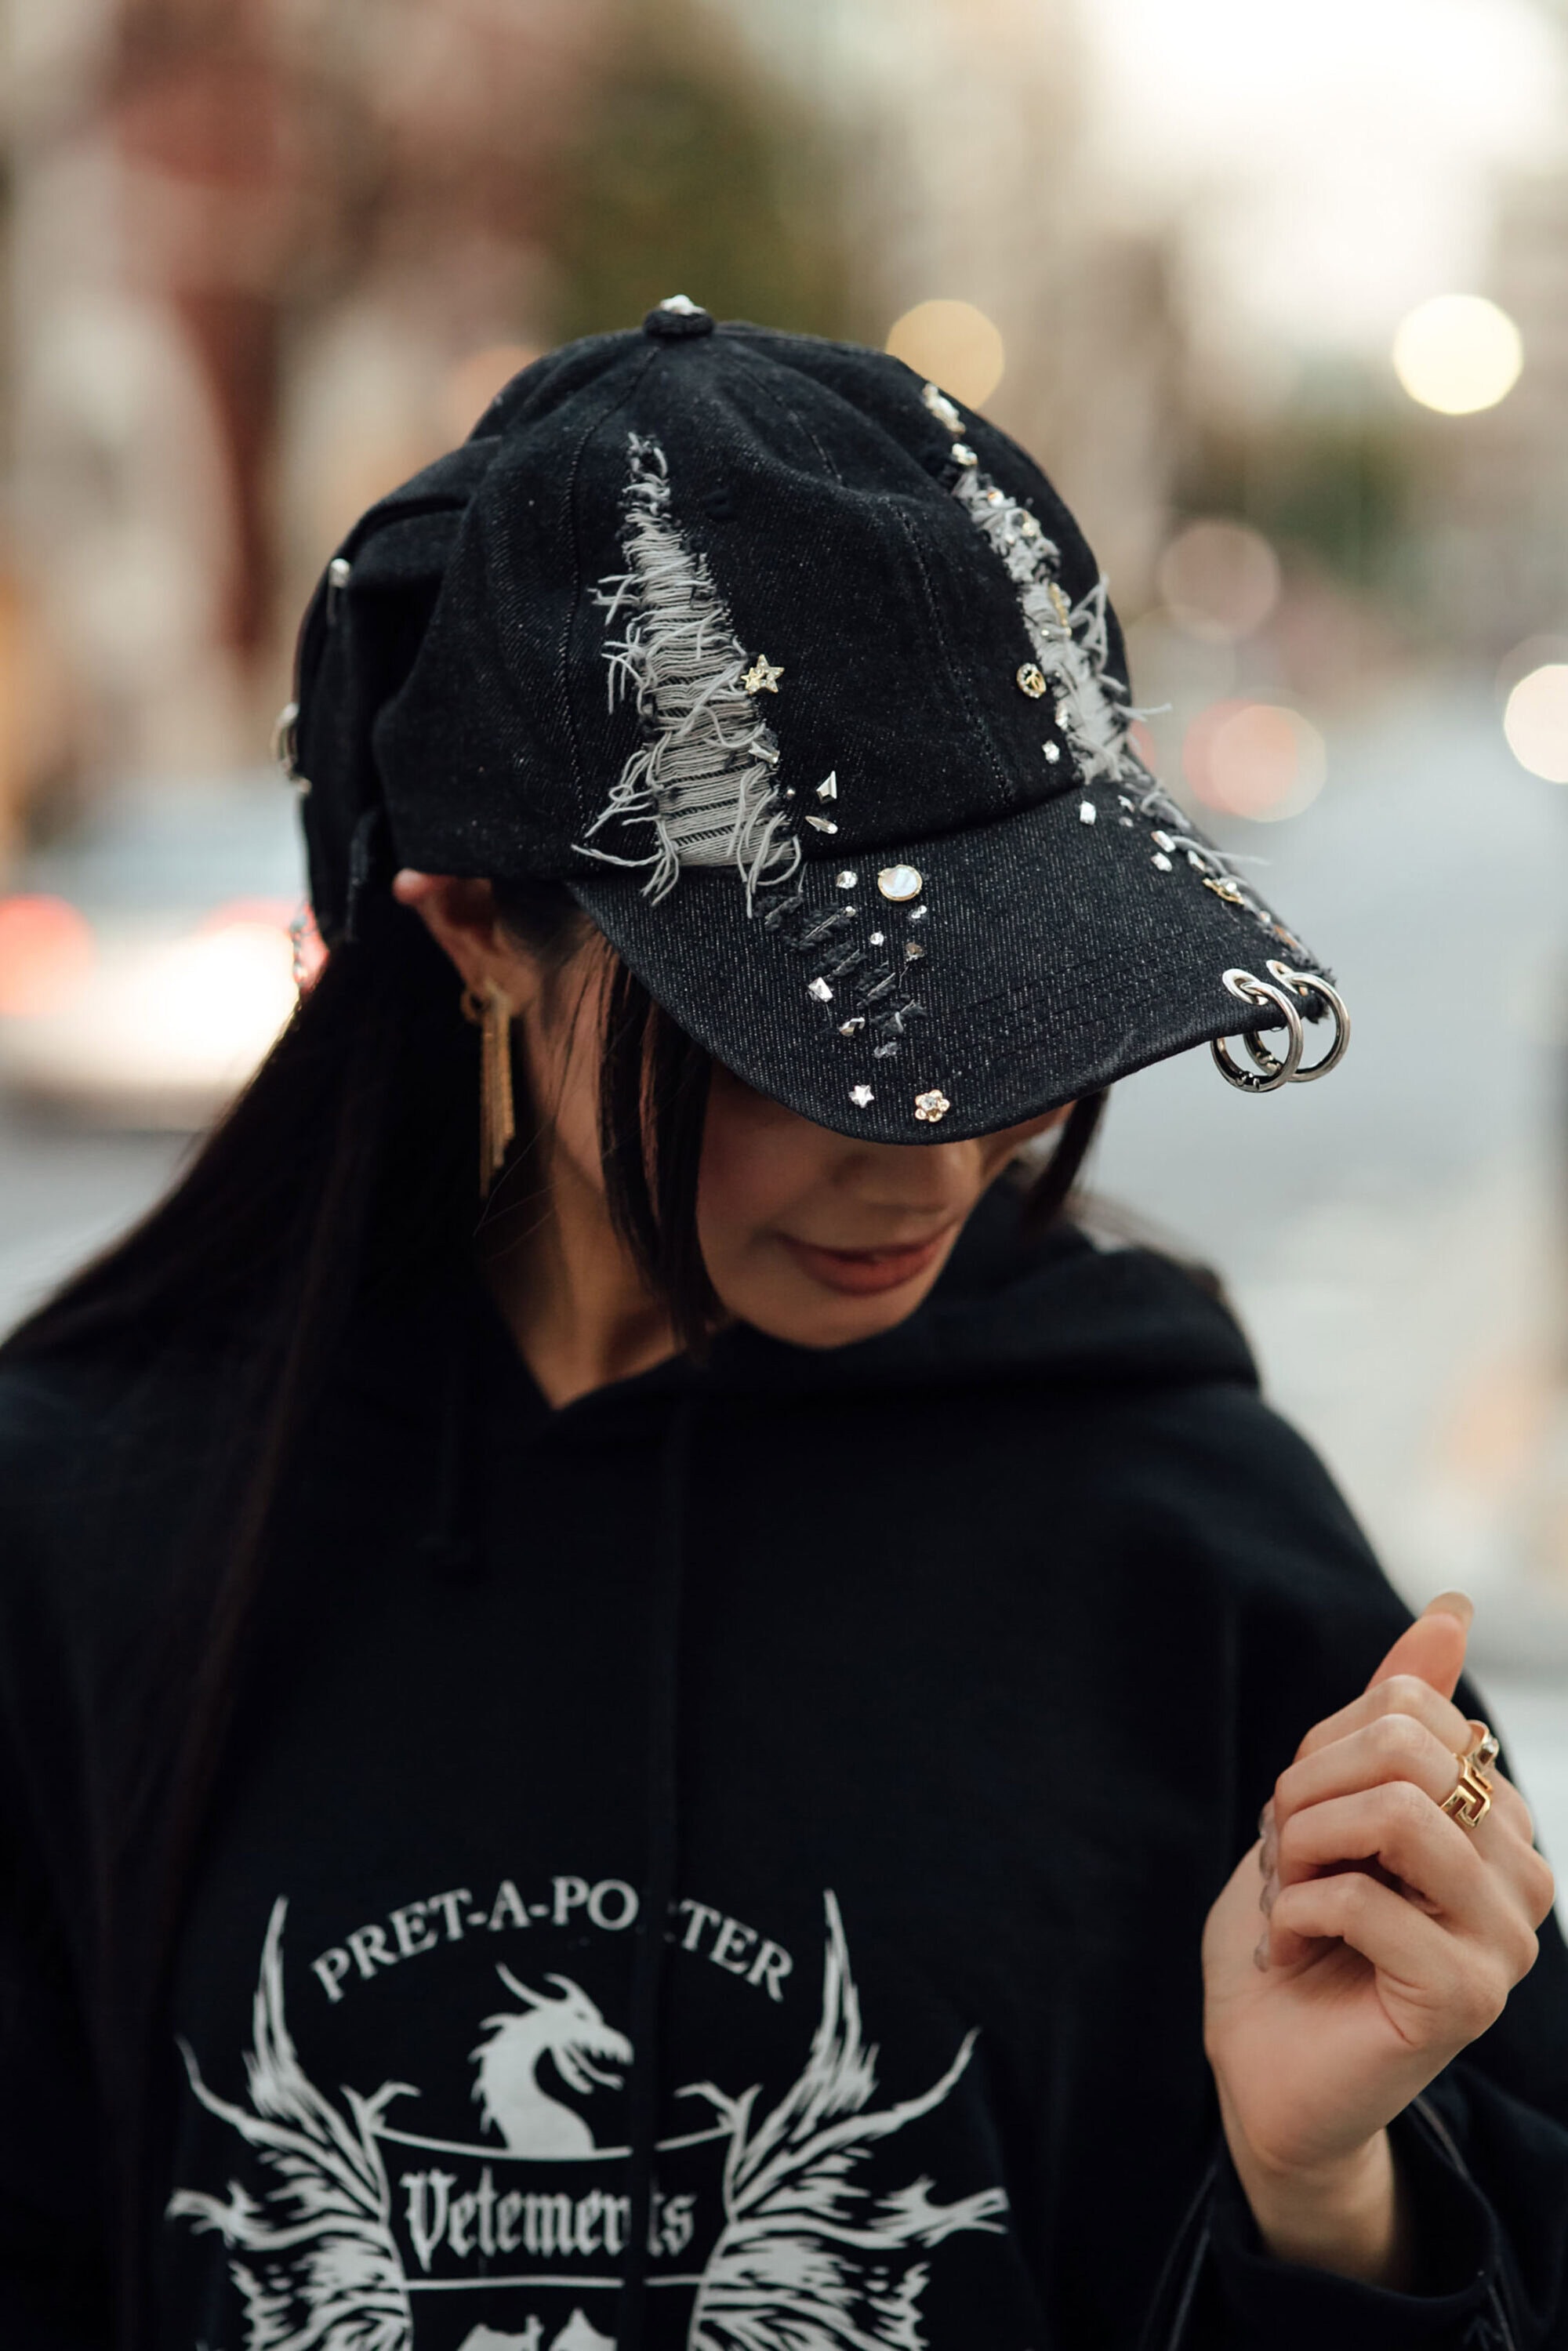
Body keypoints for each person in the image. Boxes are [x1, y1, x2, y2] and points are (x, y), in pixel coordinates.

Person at [0, 299, 1563, 2351]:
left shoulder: (1178, 1539)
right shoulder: (104, 1532)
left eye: (999, 1019)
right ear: (475, 930)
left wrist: (1337, 2200)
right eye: (804, 1045)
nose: (938, 1159)